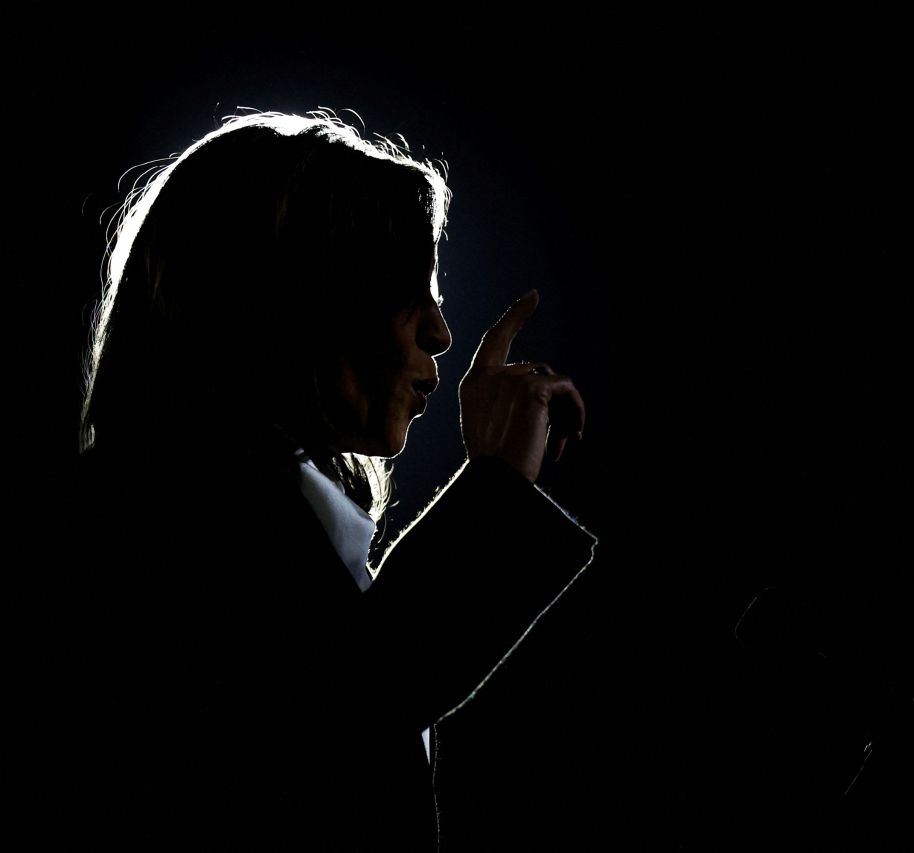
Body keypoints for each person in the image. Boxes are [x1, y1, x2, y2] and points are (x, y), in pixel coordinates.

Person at [18, 109, 597, 849]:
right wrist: (494, 492)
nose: (441, 333)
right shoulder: (154, 523)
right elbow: (338, 718)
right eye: (404, 285)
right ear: (291, 293)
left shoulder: (238, 518)